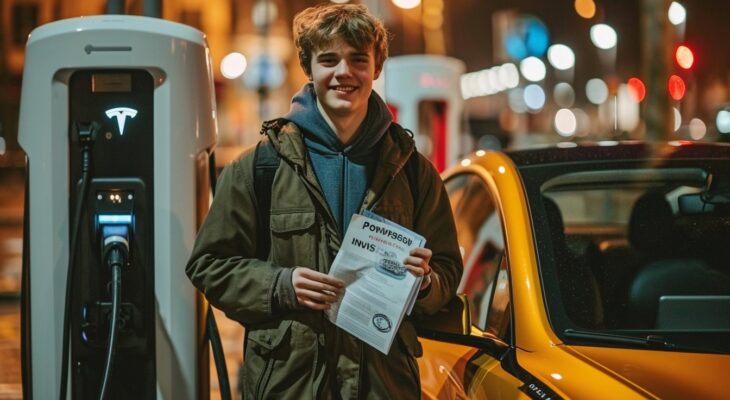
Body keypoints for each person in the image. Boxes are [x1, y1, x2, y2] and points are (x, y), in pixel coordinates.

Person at [186, 3, 462, 399]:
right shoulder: (260, 167)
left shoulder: (413, 172)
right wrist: (282, 285)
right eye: (328, 60)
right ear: (309, 68)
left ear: (376, 67)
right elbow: (209, 265)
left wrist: (424, 284)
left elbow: (448, 271)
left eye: (358, 59)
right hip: (289, 386)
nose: (343, 73)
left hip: (382, 387)